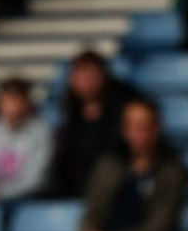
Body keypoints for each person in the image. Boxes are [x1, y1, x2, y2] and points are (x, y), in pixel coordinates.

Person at [80, 97, 188, 231]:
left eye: (145, 126)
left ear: (158, 128)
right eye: (133, 126)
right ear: (124, 130)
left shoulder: (172, 171)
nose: (140, 133)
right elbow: (92, 211)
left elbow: (159, 226)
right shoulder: (109, 166)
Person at [51, 51, 137, 198]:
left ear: (104, 76)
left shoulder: (125, 107)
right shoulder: (69, 113)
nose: (86, 81)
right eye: (80, 75)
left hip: (115, 187)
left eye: (91, 75)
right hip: (75, 188)